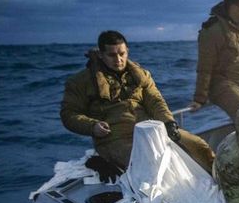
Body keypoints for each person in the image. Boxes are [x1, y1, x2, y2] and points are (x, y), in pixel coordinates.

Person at [60, 30, 215, 178]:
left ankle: (222, 182)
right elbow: (69, 114)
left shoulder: (141, 75)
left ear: (127, 50)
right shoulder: (80, 82)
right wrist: (92, 126)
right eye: (112, 55)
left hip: (150, 129)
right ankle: (102, 160)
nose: (118, 59)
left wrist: (169, 123)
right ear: (101, 55)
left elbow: (155, 101)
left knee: (199, 146)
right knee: (148, 164)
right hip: (114, 138)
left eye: (122, 54)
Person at [190, 0, 239, 118]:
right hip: (223, 85)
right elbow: (205, 67)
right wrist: (199, 99)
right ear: (233, 7)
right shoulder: (213, 30)